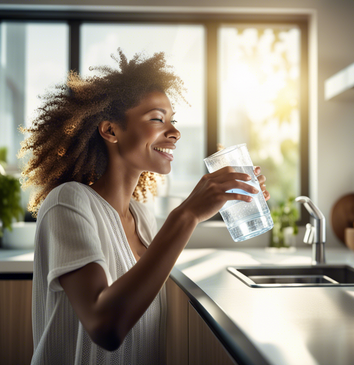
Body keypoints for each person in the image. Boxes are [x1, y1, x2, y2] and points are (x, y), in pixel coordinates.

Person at [19, 49, 270, 364]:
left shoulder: (143, 217)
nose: (175, 132)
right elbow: (105, 326)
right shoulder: (67, 203)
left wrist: (229, 203)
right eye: (157, 118)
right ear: (111, 131)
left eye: (173, 120)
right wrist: (187, 214)